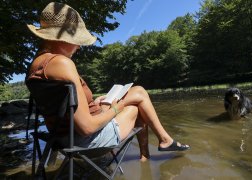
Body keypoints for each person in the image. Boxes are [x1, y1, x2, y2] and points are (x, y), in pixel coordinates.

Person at [26, 2, 190, 161]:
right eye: (76, 41)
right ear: (61, 39)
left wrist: (93, 102)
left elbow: (65, 107)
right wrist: (116, 109)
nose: (79, 47)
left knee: (137, 92)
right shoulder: (62, 63)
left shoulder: (35, 67)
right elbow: (87, 128)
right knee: (138, 102)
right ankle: (152, 151)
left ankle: (158, 145)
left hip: (60, 136)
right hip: (85, 141)